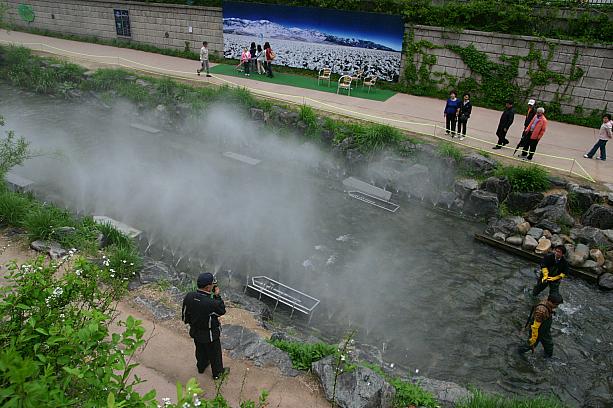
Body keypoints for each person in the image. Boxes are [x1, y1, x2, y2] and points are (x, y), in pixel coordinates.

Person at [182, 272, 229, 379]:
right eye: (212, 284)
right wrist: (217, 296)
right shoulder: (211, 303)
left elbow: (185, 313)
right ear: (208, 287)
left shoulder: (189, 296)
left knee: (200, 350)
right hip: (210, 335)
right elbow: (221, 310)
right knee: (215, 354)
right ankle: (217, 374)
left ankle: (201, 367)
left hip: (195, 331)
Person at [518, 293, 563, 358]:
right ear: (550, 301)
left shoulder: (547, 301)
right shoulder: (541, 311)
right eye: (556, 305)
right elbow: (535, 327)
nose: (556, 306)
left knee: (549, 344)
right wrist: (534, 338)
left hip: (545, 330)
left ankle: (548, 357)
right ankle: (519, 351)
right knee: (531, 344)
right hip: (538, 329)